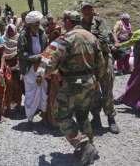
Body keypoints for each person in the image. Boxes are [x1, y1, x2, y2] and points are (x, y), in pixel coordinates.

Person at [36, 11, 105, 165]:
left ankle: (84, 144)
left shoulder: (65, 39)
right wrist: (97, 79)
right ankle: (89, 147)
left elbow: (49, 59)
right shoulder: (91, 37)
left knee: (60, 115)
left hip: (72, 83)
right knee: (82, 114)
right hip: (90, 82)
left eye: (64, 20)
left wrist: (42, 74)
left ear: (68, 21)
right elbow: (101, 62)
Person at [81, 1, 119, 134]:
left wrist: (87, 41)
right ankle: (96, 117)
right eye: (84, 9)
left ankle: (111, 118)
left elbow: (104, 38)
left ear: (93, 10)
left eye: (89, 8)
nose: (86, 11)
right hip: (89, 62)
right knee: (93, 91)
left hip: (104, 58)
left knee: (107, 89)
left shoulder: (99, 22)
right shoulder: (79, 25)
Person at [18, 11, 48, 128]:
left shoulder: (42, 33)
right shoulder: (23, 36)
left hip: (41, 66)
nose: (37, 25)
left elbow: (47, 50)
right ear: (30, 24)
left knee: (43, 90)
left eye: (38, 23)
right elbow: (22, 54)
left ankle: (44, 116)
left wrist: (43, 59)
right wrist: (37, 57)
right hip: (29, 68)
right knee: (30, 93)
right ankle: (30, 119)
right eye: (35, 23)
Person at [0, 24, 22, 116]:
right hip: (7, 66)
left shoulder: (19, 38)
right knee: (8, 87)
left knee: (18, 86)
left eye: (12, 30)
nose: (10, 32)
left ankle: (18, 105)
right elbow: (3, 55)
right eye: (9, 30)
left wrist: (17, 65)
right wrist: (5, 66)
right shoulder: (3, 39)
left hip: (17, 66)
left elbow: (20, 52)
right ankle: (7, 107)